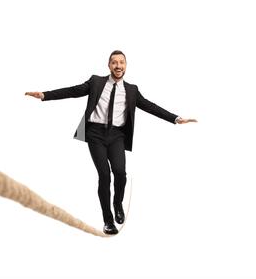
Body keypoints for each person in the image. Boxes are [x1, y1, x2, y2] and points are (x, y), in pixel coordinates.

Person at [25, 50, 197, 235]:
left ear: (125, 66)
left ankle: (117, 203)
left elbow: (150, 106)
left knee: (120, 173)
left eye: (121, 62)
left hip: (117, 136)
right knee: (105, 175)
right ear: (109, 65)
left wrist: (176, 118)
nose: (118, 66)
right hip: (95, 134)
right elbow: (73, 91)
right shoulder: (96, 82)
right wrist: (44, 95)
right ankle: (108, 220)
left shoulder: (132, 90)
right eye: (114, 62)